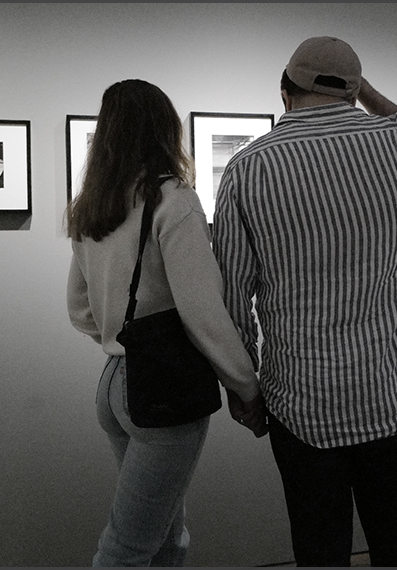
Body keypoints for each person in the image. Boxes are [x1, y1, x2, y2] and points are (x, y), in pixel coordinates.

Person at [213, 37, 397, 567]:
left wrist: (242, 389)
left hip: (301, 404)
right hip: (390, 396)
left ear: (284, 91)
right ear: (354, 93)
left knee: (319, 550)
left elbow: (233, 295)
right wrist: (363, 91)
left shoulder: (248, 168)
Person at [65, 79, 266, 567]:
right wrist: (246, 384)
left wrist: (122, 340)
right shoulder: (174, 200)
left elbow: (79, 308)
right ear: (164, 128)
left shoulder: (95, 204)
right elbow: (203, 314)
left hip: (115, 385)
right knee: (128, 546)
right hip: (161, 393)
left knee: (166, 534)